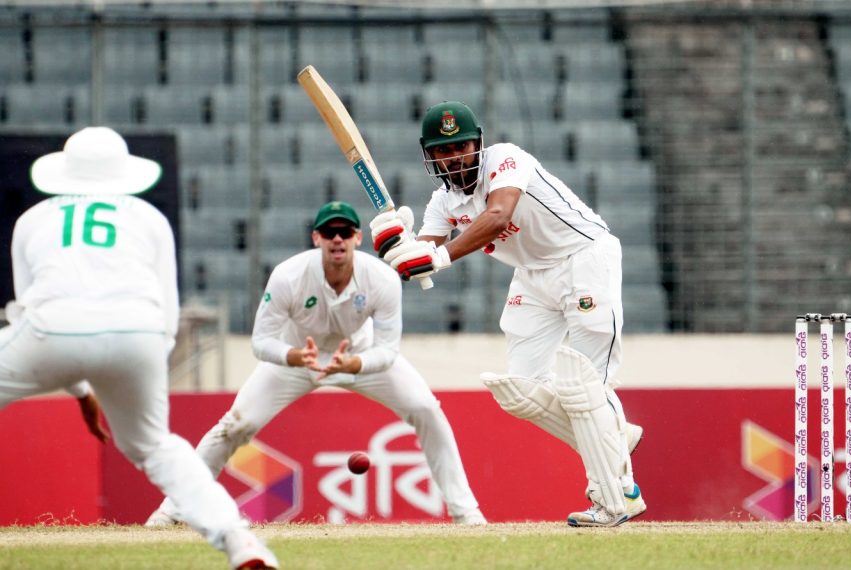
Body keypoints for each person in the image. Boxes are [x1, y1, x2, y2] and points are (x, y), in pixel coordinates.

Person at [0, 127, 278, 569]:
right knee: (156, 447)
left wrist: (80, 390)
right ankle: (238, 540)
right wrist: (132, 370)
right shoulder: (149, 218)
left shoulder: (32, 219)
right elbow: (168, 314)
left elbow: (25, 307)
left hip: (49, 329)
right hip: (140, 333)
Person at [369, 101, 646, 527]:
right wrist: (393, 247)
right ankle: (613, 438)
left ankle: (616, 497)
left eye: (461, 146)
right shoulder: (442, 203)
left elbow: (497, 218)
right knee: (521, 389)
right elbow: (415, 261)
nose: (455, 156)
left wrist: (436, 257)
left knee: (588, 384)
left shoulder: (506, 160)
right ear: (431, 157)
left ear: (477, 144)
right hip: (532, 277)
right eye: (443, 151)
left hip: (585, 258)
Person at [146, 200, 485, 527]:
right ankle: (172, 510)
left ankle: (465, 511)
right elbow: (261, 342)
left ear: (357, 238)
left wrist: (353, 364)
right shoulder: (288, 276)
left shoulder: (381, 279)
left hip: (359, 356)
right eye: (328, 232)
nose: (336, 238)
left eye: (344, 231)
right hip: (297, 359)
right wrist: (292, 356)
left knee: (426, 409)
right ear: (316, 238)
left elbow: (387, 352)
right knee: (234, 426)